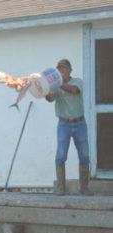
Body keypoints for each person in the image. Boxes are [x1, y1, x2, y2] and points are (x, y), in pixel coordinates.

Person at [45, 59, 92, 195]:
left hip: (80, 123)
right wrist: (45, 90)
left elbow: (74, 90)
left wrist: (59, 84)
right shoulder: (56, 86)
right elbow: (50, 99)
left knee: (84, 155)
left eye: (64, 69)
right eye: (59, 69)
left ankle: (84, 187)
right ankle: (61, 187)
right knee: (60, 155)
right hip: (63, 124)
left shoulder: (77, 81)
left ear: (70, 70)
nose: (62, 71)